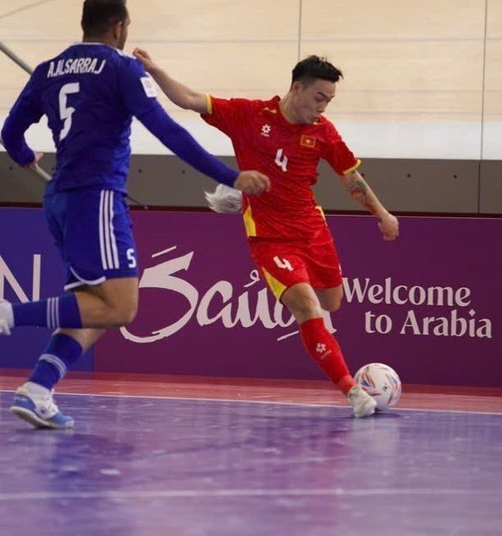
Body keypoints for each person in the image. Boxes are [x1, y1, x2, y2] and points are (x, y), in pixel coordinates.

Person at [0, 0, 270, 429]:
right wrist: (228, 174)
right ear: (119, 27)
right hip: (97, 196)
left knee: (94, 306)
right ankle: (4, 313)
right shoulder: (120, 66)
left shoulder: (49, 69)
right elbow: (165, 129)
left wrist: (24, 154)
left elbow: (12, 129)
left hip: (60, 199)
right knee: (121, 309)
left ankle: (37, 389)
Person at [133, 49, 399, 418]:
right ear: (296, 88)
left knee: (332, 302)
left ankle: (235, 194)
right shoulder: (249, 115)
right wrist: (156, 71)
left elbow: (350, 178)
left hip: (311, 228)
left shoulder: (323, 132)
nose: (323, 107)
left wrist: (381, 213)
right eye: (319, 97)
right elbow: (192, 100)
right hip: (270, 237)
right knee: (307, 307)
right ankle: (352, 392)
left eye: (329, 100)